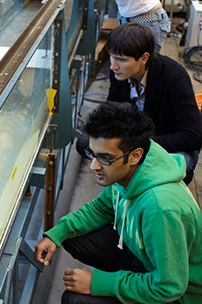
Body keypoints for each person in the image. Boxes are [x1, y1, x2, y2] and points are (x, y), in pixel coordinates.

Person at [35, 101, 202, 304]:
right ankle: (130, 286)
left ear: (135, 156)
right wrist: (57, 233)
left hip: (177, 296)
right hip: (146, 259)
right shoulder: (132, 169)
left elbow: (169, 286)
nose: (94, 166)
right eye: (93, 154)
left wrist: (100, 283)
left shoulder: (160, 209)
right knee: (72, 237)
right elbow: (103, 207)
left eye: (104, 158)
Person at [77, 22, 202, 184]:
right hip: (136, 143)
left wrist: (136, 145)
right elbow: (111, 112)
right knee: (84, 144)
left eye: (121, 59)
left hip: (171, 148)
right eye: (112, 56)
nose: (113, 66)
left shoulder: (174, 77)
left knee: (157, 176)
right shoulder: (119, 73)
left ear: (144, 58)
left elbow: (194, 136)